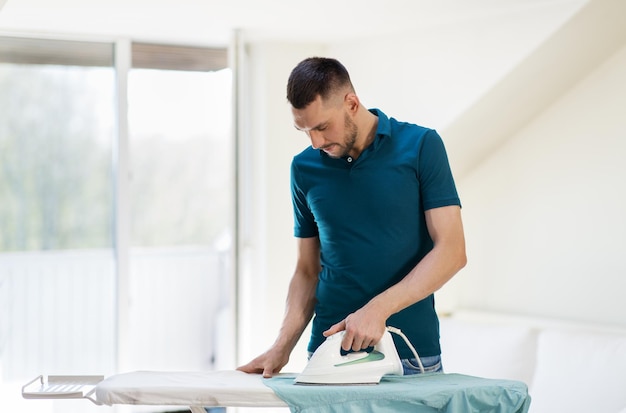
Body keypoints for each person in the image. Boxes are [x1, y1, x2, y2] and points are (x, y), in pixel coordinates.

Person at [237, 57, 466, 378]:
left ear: (352, 103)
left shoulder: (421, 146)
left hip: (409, 355)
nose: (315, 142)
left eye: (321, 127)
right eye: (304, 130)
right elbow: (306, 270)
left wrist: (377, 310)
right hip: (328, 355)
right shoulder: (303, 168)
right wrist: (282, 346)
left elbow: (452, 252)